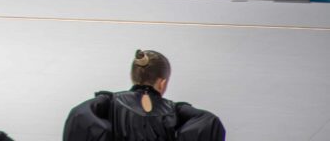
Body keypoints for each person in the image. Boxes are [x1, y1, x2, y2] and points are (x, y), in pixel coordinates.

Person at [62, 49, 226, 141]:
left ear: (133, 76)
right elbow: (209, 122)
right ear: (162, 83)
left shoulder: (109, 102)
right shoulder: (175, 110)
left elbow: (80, 116)